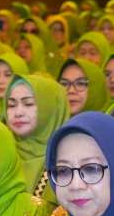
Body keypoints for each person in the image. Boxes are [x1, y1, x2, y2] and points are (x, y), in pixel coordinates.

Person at [5, 74, 70, 205]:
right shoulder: (0, 155)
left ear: (51, 108)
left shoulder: (69, 163)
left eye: (28, 104)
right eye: (11, 105)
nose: (18, 112)